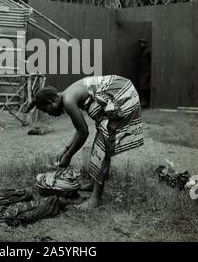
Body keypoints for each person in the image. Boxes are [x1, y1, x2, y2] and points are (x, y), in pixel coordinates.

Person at [26, 75, 144, 209]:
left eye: (46, 111)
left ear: (51, 102)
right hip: (121, 89)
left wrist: (69, 156)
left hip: (122, 95)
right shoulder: (67, 95)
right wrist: (66, 149)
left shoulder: (69, 101)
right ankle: (94, 183)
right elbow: (80, 129)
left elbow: (83, 133)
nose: (49, 114)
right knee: (102, 134)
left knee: (104, 142)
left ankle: (95, 198)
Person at [138, 39, 151, 108]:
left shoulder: (148, 51)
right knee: (142, 86)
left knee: (144, 86)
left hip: (146, 71)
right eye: (140, 43)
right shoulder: (141, 51)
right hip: (142, 71)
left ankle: (145, 101)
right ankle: (143, 101)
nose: (141, 44)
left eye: (143, 43)